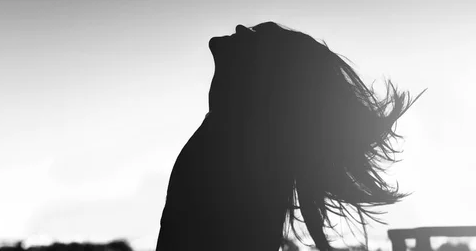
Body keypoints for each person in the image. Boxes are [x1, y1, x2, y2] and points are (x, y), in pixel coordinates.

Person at [155, 22, 426, 251]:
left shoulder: (232, 158)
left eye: (260, 37)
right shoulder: (230, 144)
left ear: (266, 81)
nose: (240, 28)